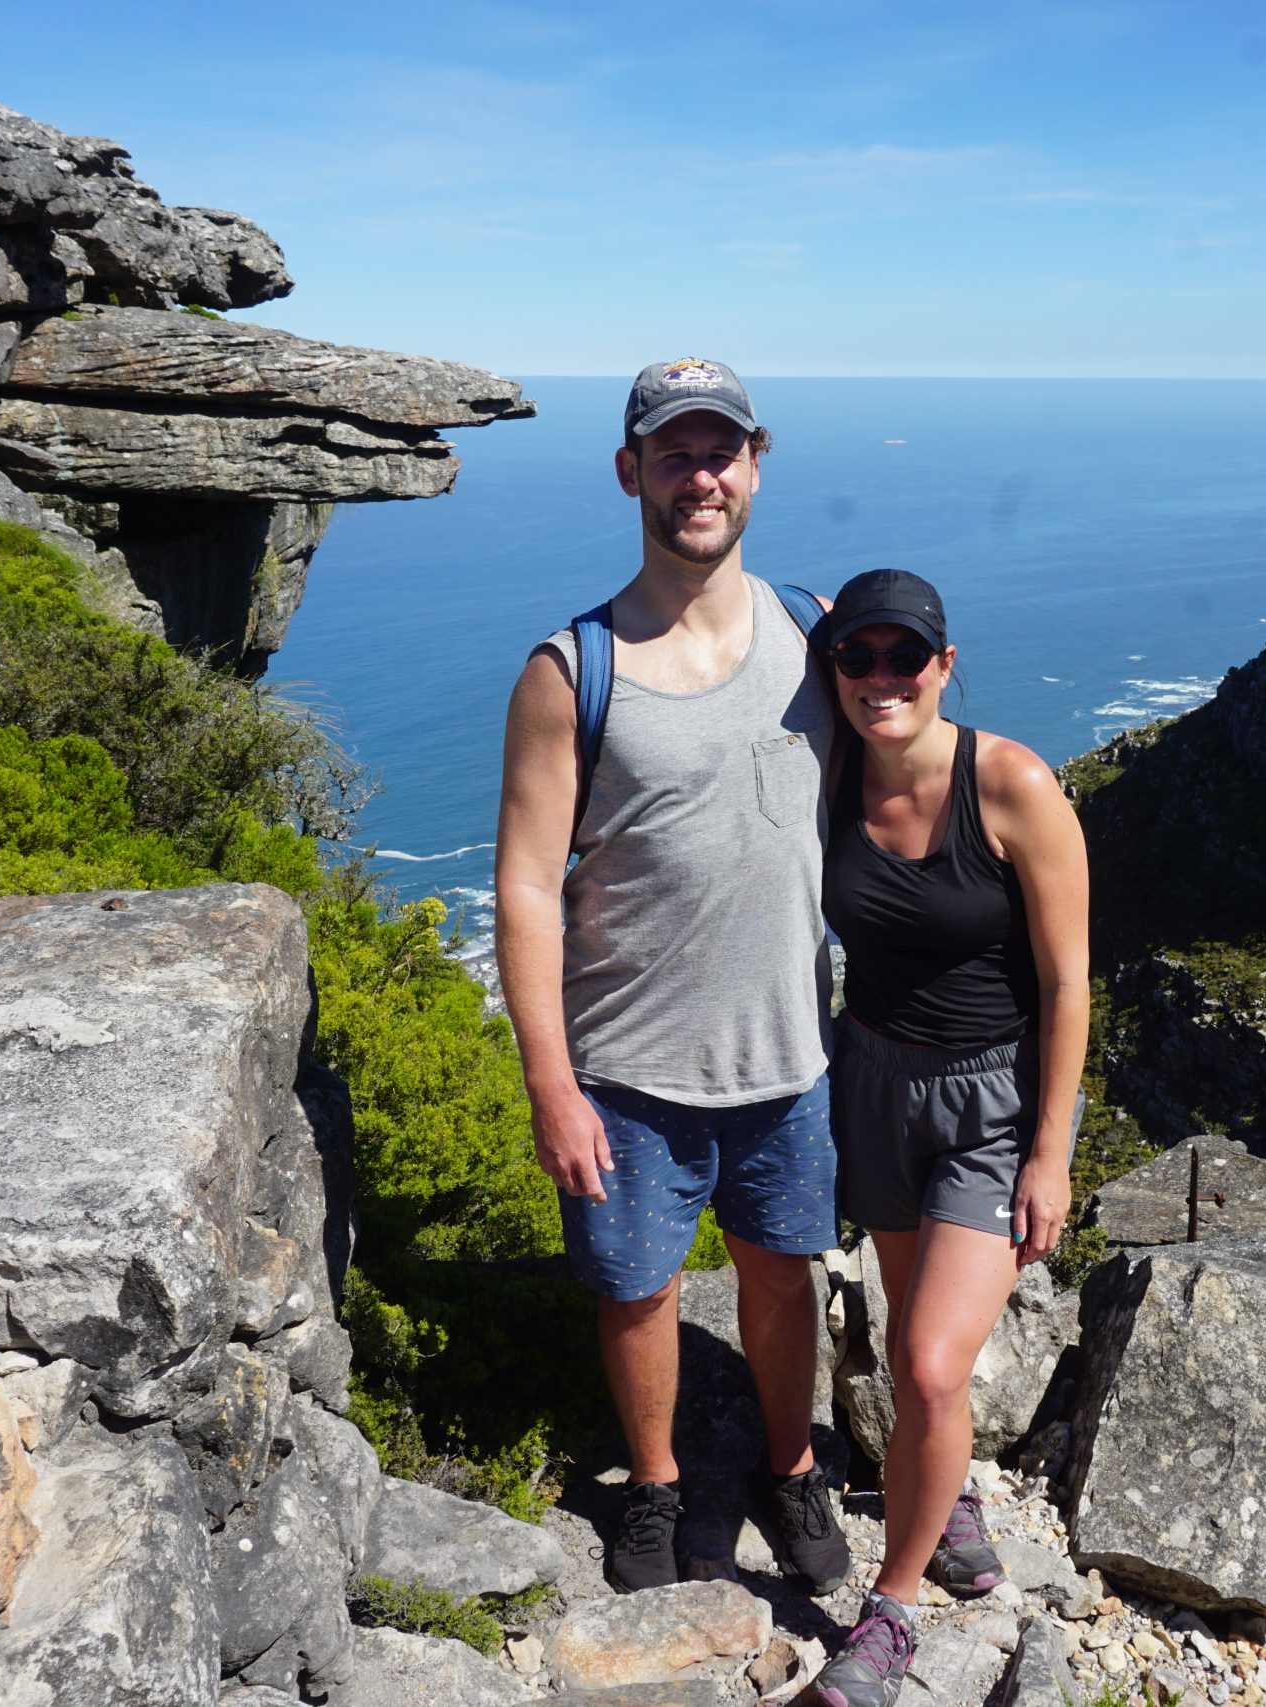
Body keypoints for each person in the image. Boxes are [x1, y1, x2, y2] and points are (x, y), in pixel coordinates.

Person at [493, 358, 849, 1595]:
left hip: (787, 1050)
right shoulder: (568, 668)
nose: (701, 476)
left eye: (722, 452)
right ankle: (654, 1485)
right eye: (675, 453)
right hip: (629, 1067)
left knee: (778, 1268)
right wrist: (552, 1085)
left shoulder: (816, 633)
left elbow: (907, 783)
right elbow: (527, 886)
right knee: (637, 1289)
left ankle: (788, 1463)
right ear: (628, 471)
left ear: (756, 464)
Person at [805, 569, 1090, 1707]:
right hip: (872, 1082)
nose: (881, 678)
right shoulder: (826, 775)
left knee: (928, 1364)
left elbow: (1069, 982)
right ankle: (952, 1496)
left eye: (903, 656)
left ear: (945, 664)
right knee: (915, 1346)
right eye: (856, 657)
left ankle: (894, 1614)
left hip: (991, 1105)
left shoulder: (1010, 783)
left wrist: (1049, 1153)